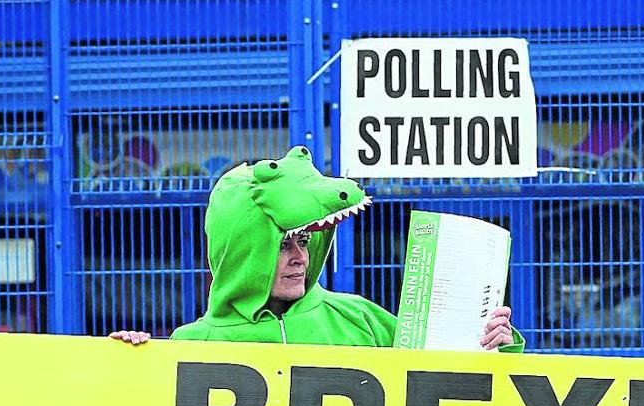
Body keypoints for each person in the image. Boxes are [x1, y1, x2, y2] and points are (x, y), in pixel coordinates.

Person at [111, 145, 521, 350]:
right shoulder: (191, 344)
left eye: (305, 240)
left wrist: (493, 350)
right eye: (282, 243)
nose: (300, 257)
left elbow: (451, 396)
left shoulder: (361, 320)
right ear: (241, 249)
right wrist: (131, 367)